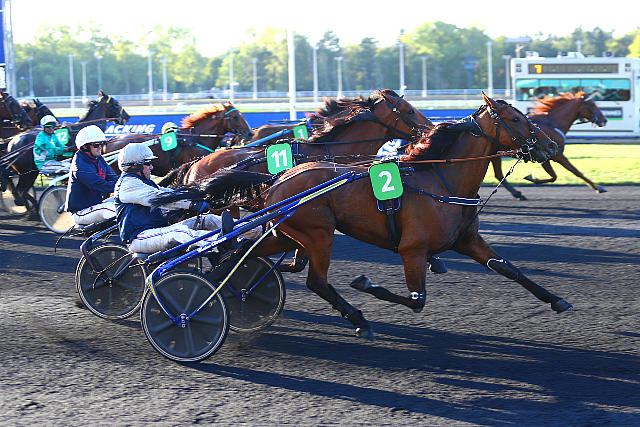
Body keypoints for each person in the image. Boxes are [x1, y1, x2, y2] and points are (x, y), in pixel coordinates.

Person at [114, 142, 259, 254]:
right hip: (139, 238)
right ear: (134, 166)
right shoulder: (128, 185)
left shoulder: (143, 182)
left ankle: (256, 230)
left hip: (158, 230)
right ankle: (224, 243)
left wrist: (201, 196)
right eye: (147, 163)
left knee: (208, 219)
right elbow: (160, 198)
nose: (151, 167)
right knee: (180, 232)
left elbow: (171, 192)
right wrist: (190, 205)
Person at [65, 125, 118, 225]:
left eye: (102, 144)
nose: (100, 147)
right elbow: (100, 185)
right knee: (112, 209)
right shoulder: (79, 165)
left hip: (96, 206)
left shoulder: (98, 159)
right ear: (85, 147)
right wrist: (122, 186)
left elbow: (114, 178)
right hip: (81, 213)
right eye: (96, 145)